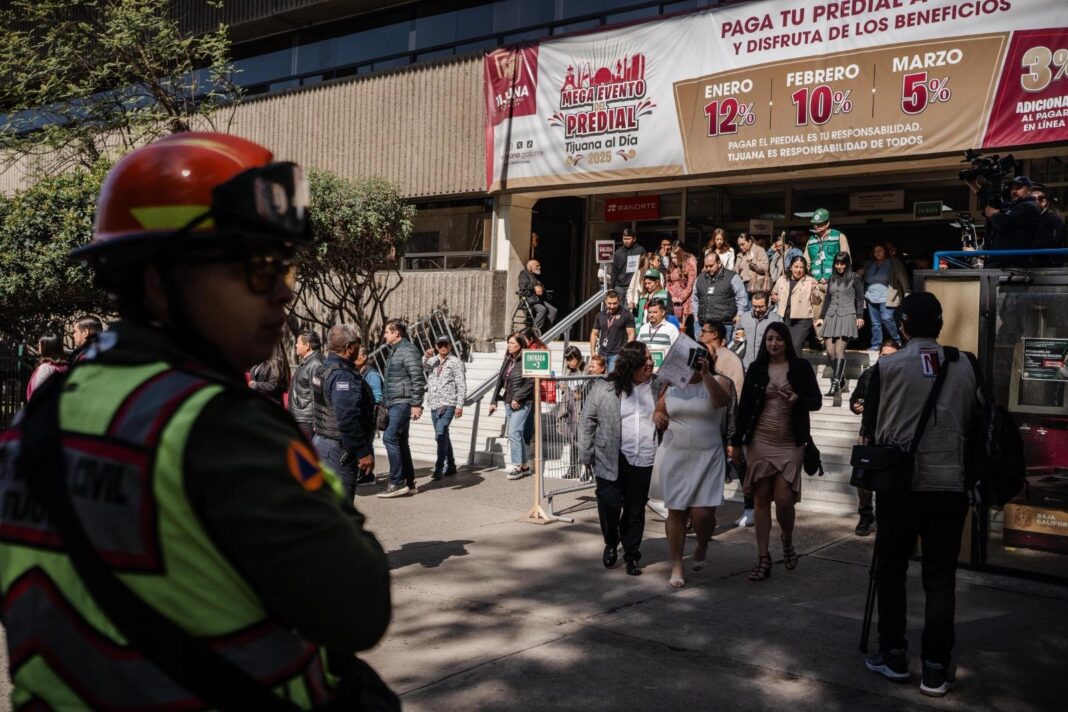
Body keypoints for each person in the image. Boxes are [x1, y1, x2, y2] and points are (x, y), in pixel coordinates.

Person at [0, 132, 392, 708]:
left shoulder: (39, 418)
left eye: (287, 268)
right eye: (259, 267)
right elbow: (360, 608)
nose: (284, 293)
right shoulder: (222, 429)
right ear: (161, 283)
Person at [860, 292, 981, 698]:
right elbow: (979, 422)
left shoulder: (887, 367)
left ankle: (893, 653)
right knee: (940, 576)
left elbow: (870, 432)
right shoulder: (966, 366)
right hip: (950, 483)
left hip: (899, 486)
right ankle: (935, 665)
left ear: (904, 326)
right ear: (940, 325)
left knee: (892, 567)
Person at [730, 322, 822, 582]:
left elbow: (815, 401)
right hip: (760, 440)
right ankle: (762, 557)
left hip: (791, 442)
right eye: (769, 339)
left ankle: (787, 539)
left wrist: (797, 398)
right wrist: (736, 442)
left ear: (786, 342)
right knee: (760, 499)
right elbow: (745, 406)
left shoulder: (801, 367)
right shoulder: (757, 369)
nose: (773, 344)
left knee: (783, 499)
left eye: (779, 339)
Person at [653, 341, 731, 588]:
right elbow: (659, 410)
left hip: (708, 455)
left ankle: (702, 544)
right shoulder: (671, 384)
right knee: (676, 511)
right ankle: (677, 562)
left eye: (700, 357)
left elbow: (722, 402)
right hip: (676, 454)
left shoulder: (720, 381)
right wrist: (659, 417)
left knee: (703, 514)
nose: (694, 361)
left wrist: (706, 374)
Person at [578, 341, 658, 576]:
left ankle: (632, 555)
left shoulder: (659, 386)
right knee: (609, 503)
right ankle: (611, 541)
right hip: (610, 457)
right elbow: (587, 420)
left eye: (651, 359)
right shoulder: (605, 388)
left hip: (644, 458)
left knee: (635, 512)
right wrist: (585, 453)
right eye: (645, 360)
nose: (651, 363)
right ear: (631, 363)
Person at [312, 325, 377, 500]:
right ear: (349, 347)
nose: (359, 346)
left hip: (323, 443)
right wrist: (363, 452)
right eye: (358, 342)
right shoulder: (342, 376)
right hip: (338, 450)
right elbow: (348, 418)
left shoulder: (323, 369)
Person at [848, 339, 900, 537]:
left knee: (886, 481)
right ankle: (866, 515)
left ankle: (884, 517)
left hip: (891, 435)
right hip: (868, 435)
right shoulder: (869, 374)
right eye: (882, 355)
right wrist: (856, 406)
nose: (884, 359)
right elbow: (856, 398)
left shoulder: (900, 377)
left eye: (889, 356)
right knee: (863, 481)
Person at [378, 318, 426, 498]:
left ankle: (397, 482)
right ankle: (409, 483)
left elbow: (417, 378)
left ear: (396, 333)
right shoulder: (395, 350)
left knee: (390, 438)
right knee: (401, 441)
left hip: (403, 402)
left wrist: (416, 404)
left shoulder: (408, 350)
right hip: (395, 401)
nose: (384, 335)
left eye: (386, 332)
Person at [815, 253, 865, 397]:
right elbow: (827, 299)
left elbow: (860, 298)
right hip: (831, 315)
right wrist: (822, 317)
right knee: (830, 351)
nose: (839, 266)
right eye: (837, 264)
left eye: (842, 264)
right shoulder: (832, 278)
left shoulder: (854, 278)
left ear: (847, 264)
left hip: (847, 315)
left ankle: (835, 385)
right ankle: (842, 381)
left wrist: (860, 316)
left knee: (839, 351)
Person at [488, 332, 535, 480]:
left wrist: (518, 397)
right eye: (508, 343)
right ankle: (525, 466)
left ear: (520, 345)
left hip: (523, 402)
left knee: (514, 432)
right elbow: (500, 381)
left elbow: (531, 381)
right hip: (508, 401)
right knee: (517, 434)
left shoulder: (527, 359)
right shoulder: (508, 358)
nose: (509, 345)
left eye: (512, 343)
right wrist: (494, 401)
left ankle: (516, 466)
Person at [423, 335, 466, 480]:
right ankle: (452, 465)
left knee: (440, 434)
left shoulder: (455, 362)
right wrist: (425, 356)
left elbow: (461, 384)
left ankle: (439, 467)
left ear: (450, 346)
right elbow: (423, 368)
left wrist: (459, 405)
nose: (443, 347)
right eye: (440, 344)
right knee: (444, 436)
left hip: (448, 403)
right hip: (434, 403)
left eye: (445, 344)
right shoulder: (432, 361)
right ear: (436, 346)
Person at [970, 175, 1042, 254]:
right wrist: (973, 185)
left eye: (1018, 187)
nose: (1014, 191)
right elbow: (990, 201)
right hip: (1005, 257)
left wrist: (993, 215)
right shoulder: (1014, 206)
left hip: (1015, 260)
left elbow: (1005, 223)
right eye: (1012, 188)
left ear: (1029, 190)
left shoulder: (1030, 206)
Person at [691, 251, 748, 342]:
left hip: (725, 326)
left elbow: (742, 298)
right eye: (706, 266)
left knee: (722, 354)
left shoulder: (732, 277)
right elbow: (695, 299)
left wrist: (739, 315)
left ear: (719, 263)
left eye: (711, 265)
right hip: (703, 325)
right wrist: (696, 317)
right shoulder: (700, 278)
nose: (708, 269)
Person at [773, 255, 823, 356]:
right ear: (791, 267)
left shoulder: (809, 281)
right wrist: (773, 296)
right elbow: (774, 292)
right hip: (785, 318)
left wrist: (814, 289)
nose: (798, 270)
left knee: (795, 346)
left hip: (802, 320)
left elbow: (817, 301)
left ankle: (796, 370)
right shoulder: (782, 279)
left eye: (801, 267)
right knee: (785, 347)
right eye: (796, 267)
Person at [862, 243, 906, 355]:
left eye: (880, 250)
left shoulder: (893, 262)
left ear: (885, 251)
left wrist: (907, 291)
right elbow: (863, 278)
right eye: (875, 251)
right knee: (875, 323)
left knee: (887, 319)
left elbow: (902, 276)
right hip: (871, 297)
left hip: (887, 296)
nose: (878, 253)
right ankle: (876, 345)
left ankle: (897, 341)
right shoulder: (869, 264)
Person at [734, 290, 782, 370]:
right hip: (747, 365)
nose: (757, 310)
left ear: (767, 304)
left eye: (760, 307)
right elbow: (736, 333)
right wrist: (738, 338)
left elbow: (782, 341)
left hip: (768, 366)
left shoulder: (775, 319)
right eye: (754, 306)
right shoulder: (744, 317)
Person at [589, 290, 635, 373]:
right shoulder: (600, 315)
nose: (612, 306)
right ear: (605, 301)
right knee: (599, 379)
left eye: (615, 303)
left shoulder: (627, 315)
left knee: (612, 380)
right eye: (609, 303)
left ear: (619, 301)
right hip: (602, 353)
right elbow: (594, 334)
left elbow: (631, 335)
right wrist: (592, 351)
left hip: (617, 354)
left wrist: (625, 353)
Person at [288, 329, 323, 437]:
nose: (295, 345)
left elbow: (317, 395)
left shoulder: (315, 364)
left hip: (306, 421)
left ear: (307, 345)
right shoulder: (307, 362)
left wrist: (316, 422)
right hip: (300, 418)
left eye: (298, 342)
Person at [804, 208, 851, 288]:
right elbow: (805, 263)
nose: (816, 226)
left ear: (827, 223)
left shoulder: (839, 237)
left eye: (819, 224)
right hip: (815, 285)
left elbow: (847, 261)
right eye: (814, 224)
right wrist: (809, 279)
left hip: (835, 283)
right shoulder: (810, 241)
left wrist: (841, 281)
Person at [25, 333, 68, 401]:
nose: (38, 346)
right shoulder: (65, 367)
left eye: (39, 344)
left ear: (46, 347)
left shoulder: (46, 368)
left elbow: (38, 392)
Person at [518, 258, 557, 333]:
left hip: (538, 299)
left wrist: (542, 289)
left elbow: (539, 287)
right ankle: (534, 331)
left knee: (553, 310)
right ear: (530, 266)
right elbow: (523, 287)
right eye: (537, 266)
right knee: (542, 309)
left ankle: (545, 330)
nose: (539, 267)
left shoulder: (534, 276)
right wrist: (534, 287)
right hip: (529, 298)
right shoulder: (523, 274)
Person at [665, 244, 697, 328]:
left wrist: (680, 298)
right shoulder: (671, 268)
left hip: (685, 301)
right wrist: (671, 297)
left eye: (675, 257)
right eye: (672, 258)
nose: (673, 260)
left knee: (683, 327)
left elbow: (690, 285)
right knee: (673, 325)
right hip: (672, 300)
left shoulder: (689, 267)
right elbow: (668, 284)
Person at [611, 227, 645, 303]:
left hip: (633, 285)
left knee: (629, 309)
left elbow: (643, 267)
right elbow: (614, 271)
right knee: (618, 308)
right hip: (619, 286)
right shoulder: (618, 252)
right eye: (624, 239)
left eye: (628, 238)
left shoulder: (640, 250)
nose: (626, 241)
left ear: (634, 239)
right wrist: (611, 287)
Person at [736, 233, 771, 305]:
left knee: (753, 307)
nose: (741, 247)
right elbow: (736, 269)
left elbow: (765, 268)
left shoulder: (759, 250)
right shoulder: (740, 254)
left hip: (755, 285)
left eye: (743, 244)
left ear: (749, 241)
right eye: (739, 245)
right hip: (742, 285)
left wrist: (752, 262)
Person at [1032, 183, 1066, 249]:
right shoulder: (1033, 218)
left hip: (1049, 257)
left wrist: (1030, 245)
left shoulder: (1054, 220)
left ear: (1043, 202)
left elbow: (1053, 242)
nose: (1030, 205)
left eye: (1033, 201)